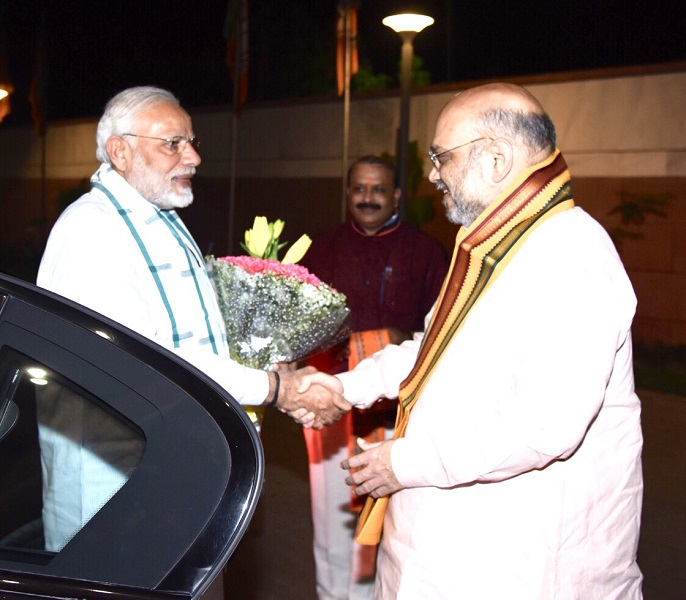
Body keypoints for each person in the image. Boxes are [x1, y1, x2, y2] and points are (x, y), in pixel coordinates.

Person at [335, 83, 644, 598]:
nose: (432, 174)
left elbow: (546, 423)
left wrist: (402, 462)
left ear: (497, 158)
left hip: (517, 563)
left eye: (441, 157)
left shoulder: (571, 252)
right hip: (442, 550)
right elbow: (431, 349)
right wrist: (346, 389)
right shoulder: (497, 242)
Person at [36, 86, 348, 553]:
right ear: (120, 151)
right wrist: (273, 389)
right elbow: (143, 362)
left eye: (192, 141)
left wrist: (265, 362)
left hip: (168, 470)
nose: (194, 157)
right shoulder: (91, 231)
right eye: (173, 143)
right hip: (114, 491)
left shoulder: (160, 217)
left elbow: (194, 331)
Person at [302, 155, 448, 600]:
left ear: (397, 196)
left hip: (397, 409)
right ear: (347, 194)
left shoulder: (426, 253)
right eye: (359, 189)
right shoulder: (321, 250)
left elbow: (441, 332)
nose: (367, 198)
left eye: (378, 190)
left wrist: (397, 336)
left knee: (389, 523)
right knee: (332, 522)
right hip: (331, 400)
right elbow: (299, 324)